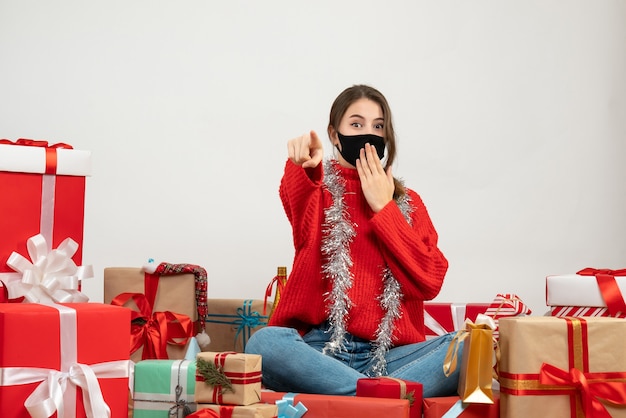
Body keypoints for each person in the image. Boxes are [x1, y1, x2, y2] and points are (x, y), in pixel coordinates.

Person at [245, 84, 460, 397]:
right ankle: (380, 400)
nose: (368, 134)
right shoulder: (318, 188)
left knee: (467, 347)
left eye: (378, 126)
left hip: (391, 357)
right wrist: (302, 165)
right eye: (356, 125)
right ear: (335, 135)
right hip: (321, 353)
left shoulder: (409, 203)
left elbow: (429, 281)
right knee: (265, 344)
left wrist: (385, 209)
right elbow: (297, 202)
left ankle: (359, 398)